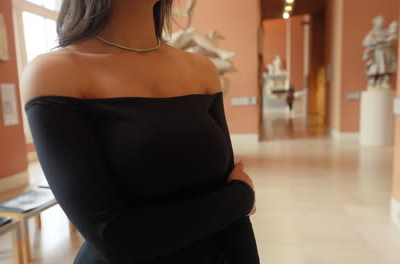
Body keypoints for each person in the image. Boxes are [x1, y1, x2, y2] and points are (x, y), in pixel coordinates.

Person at [21, 0, 259, 263]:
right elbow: (114, 235)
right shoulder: (54, 73)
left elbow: (231, 195)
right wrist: (239, 199)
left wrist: (237, 201)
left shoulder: (201, 70)